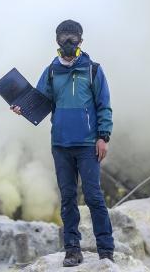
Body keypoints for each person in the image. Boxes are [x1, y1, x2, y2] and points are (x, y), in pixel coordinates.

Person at [10, 19, 115, 266]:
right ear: (56, 40)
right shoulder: (51, 71)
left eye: (73, 38)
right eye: (63, 38)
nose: (68, 43)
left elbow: (104, 105)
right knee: (67, 198)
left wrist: (103, 137)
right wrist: (21, 108)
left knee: (94, 197)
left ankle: (106, 251)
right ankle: (72, 250)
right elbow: (39, 103)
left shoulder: (93, 69)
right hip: (60, 145)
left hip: (88, 144)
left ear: (81, 40)